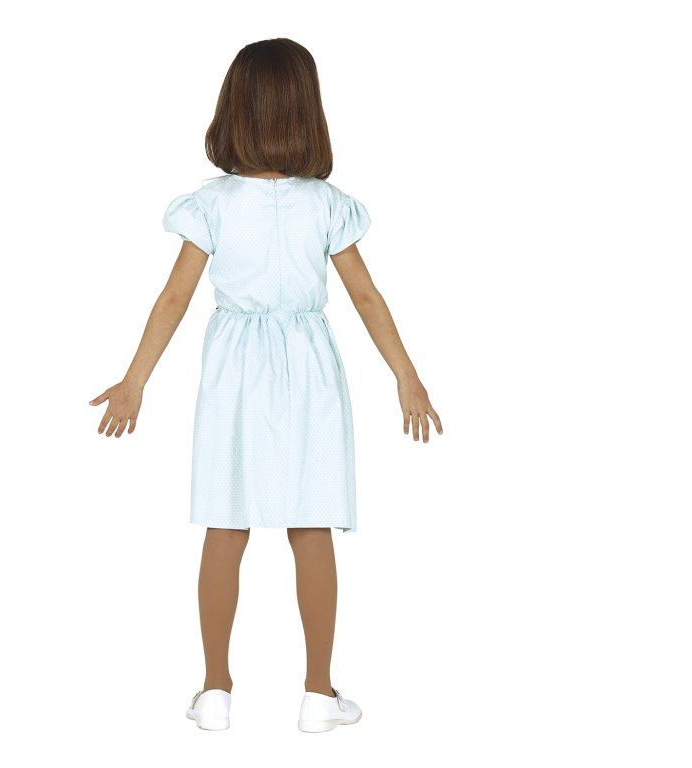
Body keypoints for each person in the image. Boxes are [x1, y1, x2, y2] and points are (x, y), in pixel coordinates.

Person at [90, 38, 442, 732]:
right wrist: (407, 376)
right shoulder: (326, 205)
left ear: (234, 110)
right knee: (312, 524)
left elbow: (173, 299)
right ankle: (318, 694)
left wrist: (135, 380)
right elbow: (366, 297)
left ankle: (214, 691)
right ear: (308, 111)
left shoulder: (213, 204)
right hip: (310, 367)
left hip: (235, 367)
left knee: (226, 522)